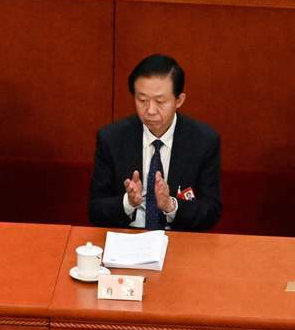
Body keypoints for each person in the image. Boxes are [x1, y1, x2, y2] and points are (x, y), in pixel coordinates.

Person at [88, 54, 220, 231]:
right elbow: (95, 210)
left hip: (181, 242)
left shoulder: (203, 141)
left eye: (160, 101)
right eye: (142, 100)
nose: (150, 110)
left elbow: (211, 211)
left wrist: (171, 205)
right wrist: (128, 202)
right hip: (127, 239)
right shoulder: (111, 138)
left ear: (179, 100)